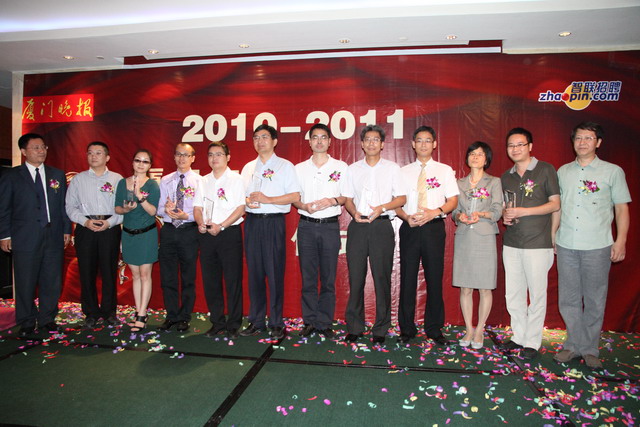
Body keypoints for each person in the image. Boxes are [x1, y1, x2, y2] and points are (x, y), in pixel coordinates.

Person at [553, 122, 630, 369]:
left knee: (595, 299)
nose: (582, 142)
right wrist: (553, 234)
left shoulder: (612, 171)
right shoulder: (563, 171)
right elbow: (558, 207)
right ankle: (572, 345)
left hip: (597, 245)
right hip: (566, 243)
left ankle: (589, 348)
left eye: (588, 138)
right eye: (578, 138)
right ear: (573, 141)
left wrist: (621, 240)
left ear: (598, 142)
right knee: (568, 299)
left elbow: (621, 208)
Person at [0, 133, 71, 336]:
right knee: (25, 280)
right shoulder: (11, 176)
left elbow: (63, 206)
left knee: (52, 280)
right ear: (24, 151)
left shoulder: (57, 175)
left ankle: (47, 319)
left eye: (43, 147)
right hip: (24, 236)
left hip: (53, 234)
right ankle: (27, 320)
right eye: (36, 148)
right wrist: (4, 235)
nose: (41, 151)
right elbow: (3, 208)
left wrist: (66, 229)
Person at [343, 125, 406, 344]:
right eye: (367, 139)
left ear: (382, 144)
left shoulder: (392, 168)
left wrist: (382, 207)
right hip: (358, 226)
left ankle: (380, 329)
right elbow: (347, 199)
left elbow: (402, 199)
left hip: (382, 226)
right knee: (356, 278)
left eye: (375, 140)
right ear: (361, 144)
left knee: (382, 278)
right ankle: (354, 326)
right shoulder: (352, 169)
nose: (371, 143)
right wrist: (354, 212)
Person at [395, 126, 458, 345]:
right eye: (419, 140)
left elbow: (453, 200)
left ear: (434, 144)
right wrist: (405, 217)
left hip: (433, 228)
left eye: (428, 140)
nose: (423, 144)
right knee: (407, 278)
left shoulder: (444, 170)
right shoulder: (402, 172)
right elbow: (396, 203)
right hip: (410, 227)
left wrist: (435, 212)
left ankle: (434, 328)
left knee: (434, 278)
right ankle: (406, 328)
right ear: (413, 144)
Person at [501, 127, 560, 360]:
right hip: (512, 242)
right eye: (511, 145)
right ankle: (518, 336)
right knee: (513, 294)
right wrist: (506, 216)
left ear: (530, 146)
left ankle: (532, 342)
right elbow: (506, 207)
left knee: (536, 295)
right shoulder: (506, 176)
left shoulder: (545, 169)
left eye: (520, 144)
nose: (515, 149)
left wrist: (524, 212)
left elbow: (555, 204)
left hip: (538, 242)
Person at [240, 125, 301, 339]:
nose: (260, 141)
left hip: (274, 223)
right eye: (256, 137)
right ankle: (256, 321)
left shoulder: (285, 166)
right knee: (254, 273)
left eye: (265, 137)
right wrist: (247, 201)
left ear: (274, 141)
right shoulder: (248, 167)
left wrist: (268, 199)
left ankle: (276, 322)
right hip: (252, 223)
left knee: (274, 273)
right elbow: (241, 195)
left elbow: (294, 196)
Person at [293, 124, 349, 338]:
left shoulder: (341, 167)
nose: (319, 141)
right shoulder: (299, 168)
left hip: (329, 226)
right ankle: (309, 321)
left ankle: (324, 322)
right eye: (315, 137)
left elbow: (346, 196)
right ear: (309, 141)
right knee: (308, 277)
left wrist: (332, 200)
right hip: (306, 225)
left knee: (328, 278)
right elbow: (294, 197)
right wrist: (303, 206)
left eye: (323, 137)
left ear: (329, 141)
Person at [66, 141, 123, 328]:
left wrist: (109, 222)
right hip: (86, 228)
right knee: (86, 271)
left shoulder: (117, 179)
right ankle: (90, 312)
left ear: (107, 157)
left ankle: (109, 312)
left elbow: (123, 208)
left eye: (98, 153)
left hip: (110, 228)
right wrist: (85, 222)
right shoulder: (78, 179)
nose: (93, 156)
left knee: (109, 271)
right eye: (90, 153)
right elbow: (70, 207)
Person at [451, 142, 503, 349]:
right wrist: (460, 216)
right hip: (464, 237)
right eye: (472, 154)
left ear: (486, 159)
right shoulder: (459, 183)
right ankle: (468, 329)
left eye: (480, 154)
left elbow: (497, 210)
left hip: (484, 236)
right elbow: (454, 211)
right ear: (467, 158)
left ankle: (480, 329)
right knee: (465, 287)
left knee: (484, 287)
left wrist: (481, 214)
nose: (475, 157)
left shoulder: (494, 182)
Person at [194, 142, 245, 339]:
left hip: (228, 233)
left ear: (228, 157)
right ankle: (217, 322)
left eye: (219, 154)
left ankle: (233, 324)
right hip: (206, 235)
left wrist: (221, 226)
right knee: (211, 281)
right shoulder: (203, 181)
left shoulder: (236, 179)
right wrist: (200, 223)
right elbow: (197, 208)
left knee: (233, 280)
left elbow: (241, 208)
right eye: (210, 155)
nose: (214, 158)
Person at [156, 143, 201, 333]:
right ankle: (171, 315)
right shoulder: (165, 180)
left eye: (186, 155)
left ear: (193, 158)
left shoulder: (199, 181)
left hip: (189, 231)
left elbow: (201, 211)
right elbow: (158, 208)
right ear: (174, 157)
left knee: (188, 276)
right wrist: (165, 210)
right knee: (168, 276)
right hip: (168, 230)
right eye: (178, 154)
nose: (182, 158)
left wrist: (186, 216)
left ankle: (184, 317)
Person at [114, 149, 160, 332]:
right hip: (128, 234)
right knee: (135, 275)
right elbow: (117, 208)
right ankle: (138, 311)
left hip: (146, 234)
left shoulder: (152, 185)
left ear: (150, 165)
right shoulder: (121, 183)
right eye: (138, 160)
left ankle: (141, 314)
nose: (141, 164)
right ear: (132, 162)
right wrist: (125, 209)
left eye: (145, 161)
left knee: (145, 274)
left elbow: (153, 211)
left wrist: (140, 197)